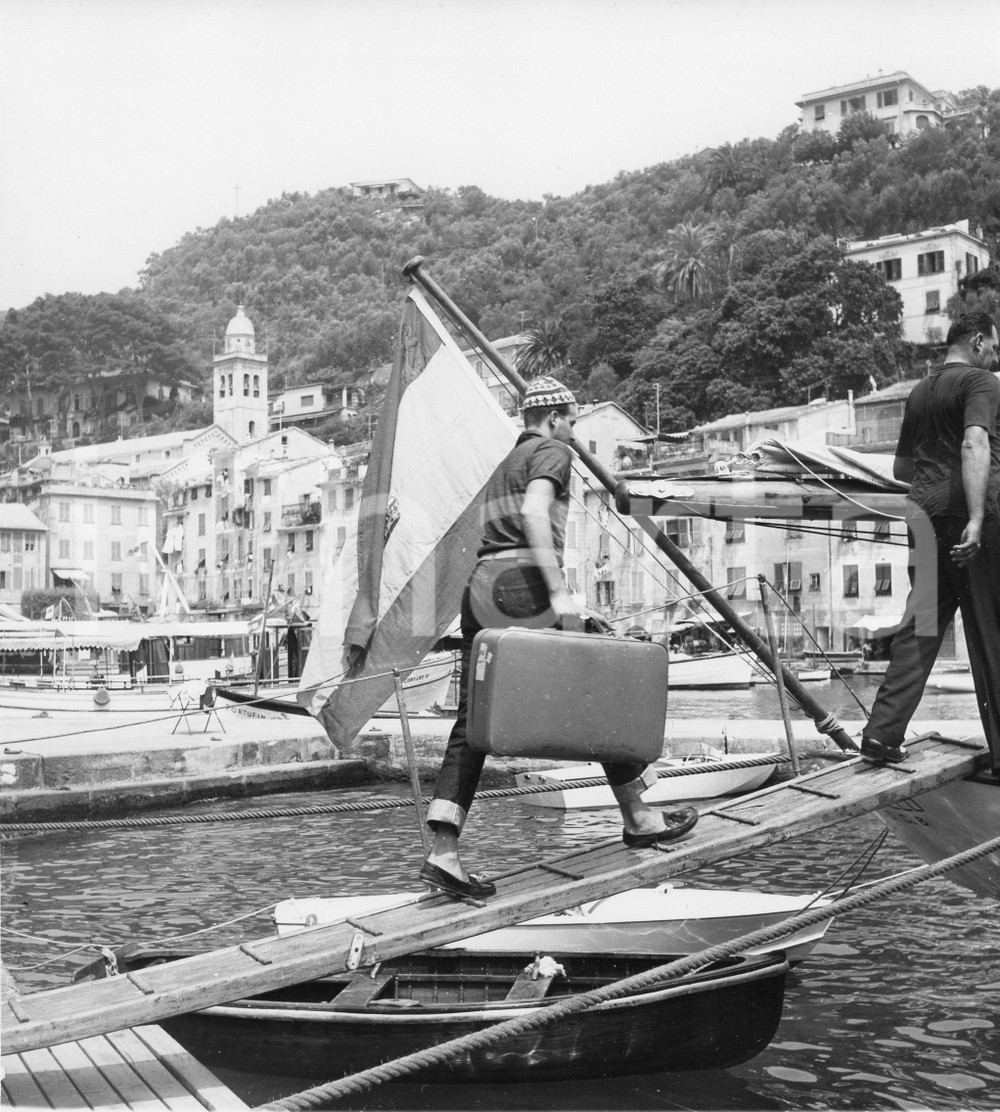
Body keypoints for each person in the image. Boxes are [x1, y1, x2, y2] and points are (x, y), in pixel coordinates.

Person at [419, 377, 699, 899]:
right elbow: (532, 516)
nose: (574, 433)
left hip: (481, 590)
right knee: (596, 678)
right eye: (572, 421)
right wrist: (561, 595)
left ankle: (444, 850)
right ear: (553, 419)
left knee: (473, 722)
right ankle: (638, 814)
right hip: (522, 588)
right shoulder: (550, 451)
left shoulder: (504, 463)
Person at [861, 311, 1000, 770]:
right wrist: (977, 518)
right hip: (966, 516)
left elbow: (902, 468)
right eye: (994, 347)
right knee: (991, 630)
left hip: (922, 514)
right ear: (978, 341)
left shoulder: (920, 391)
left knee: (920, 628)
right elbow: (973, 444)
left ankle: (881, 737)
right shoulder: (981, 382)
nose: (995, 356)